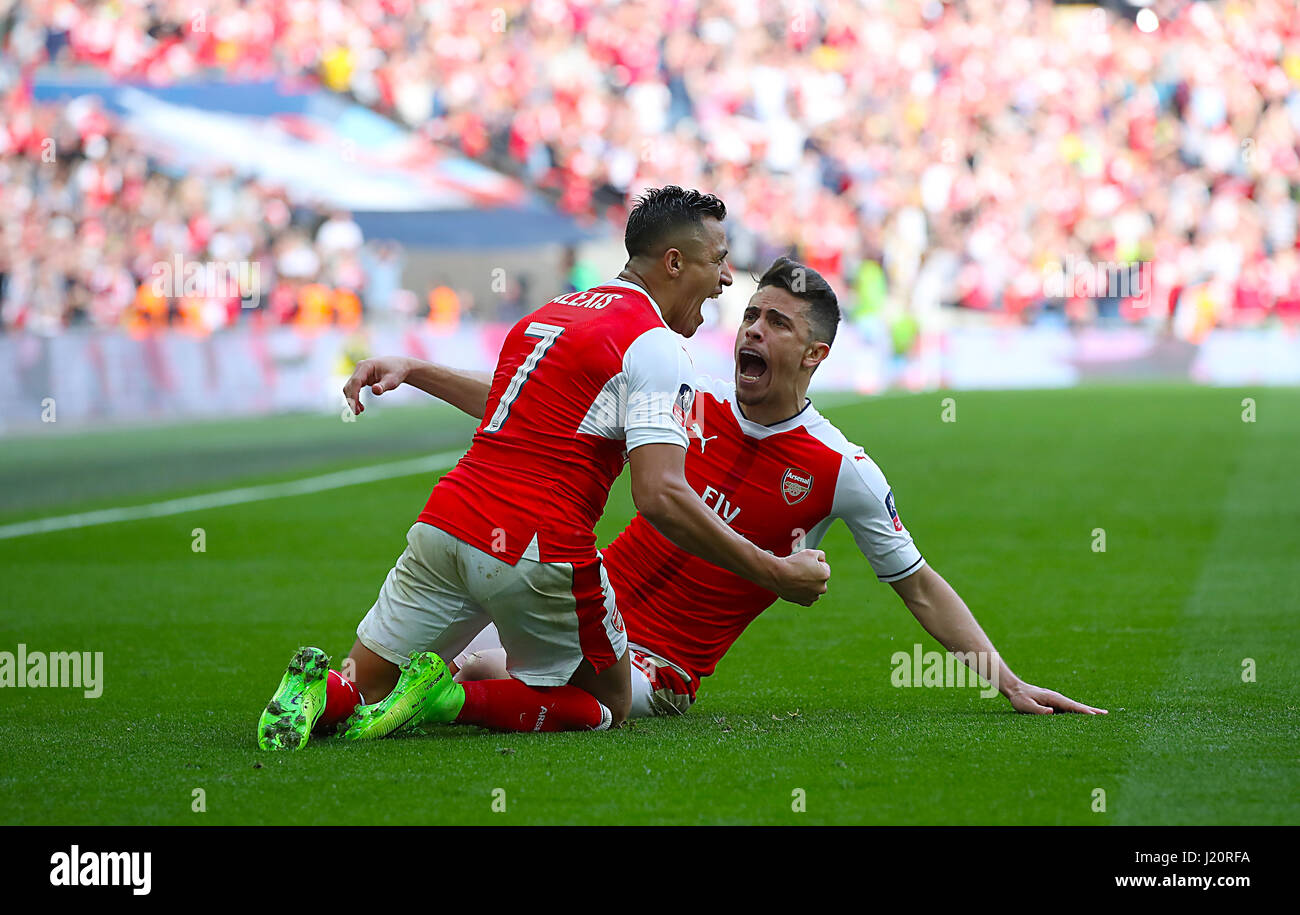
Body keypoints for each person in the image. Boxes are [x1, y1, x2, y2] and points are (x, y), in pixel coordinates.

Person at [352, 257, 1106, 721]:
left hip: (659, 671)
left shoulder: (842, 469)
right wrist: (417, 372)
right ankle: (362, 699)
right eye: (749, 314)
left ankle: (445, 698)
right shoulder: (690, 395)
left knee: (486, 667)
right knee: (410, 661)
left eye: (775, 323)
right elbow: (532, 399)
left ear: (813, 353)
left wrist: (1004, 680)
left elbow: (919, 585)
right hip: (588, 606)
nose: (750, 330)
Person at [257, 188, 831, 749]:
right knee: (611, 704)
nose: (727, 278)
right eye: (718, 261)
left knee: (361, 686)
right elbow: (660, 496)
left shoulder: (552, 313)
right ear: (675, 262)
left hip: (446, 523)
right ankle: (448, 701)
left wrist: (414, 369)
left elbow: (515, 401)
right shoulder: (654, 345)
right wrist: (774, 572)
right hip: (537, 546)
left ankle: (310, 691)